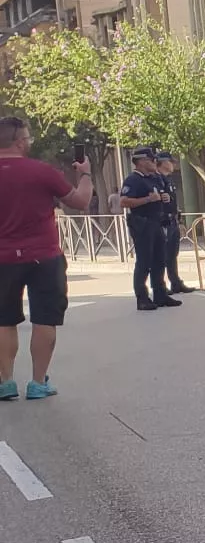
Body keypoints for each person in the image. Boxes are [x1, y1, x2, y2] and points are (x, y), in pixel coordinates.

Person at [0, 116, 93, 401]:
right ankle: (38, 382)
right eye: (27, 138)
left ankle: (6, 382)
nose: (29, 142)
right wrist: (85, 174)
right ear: (19, 141)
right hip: (44, 256)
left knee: (3, 320)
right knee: (44, 319)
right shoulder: (42, 171)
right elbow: (80, 202)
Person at [118, 148, 178, 311]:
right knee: (144, 261)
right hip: (142, 223)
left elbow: (159, 195)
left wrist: (163, 198)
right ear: (142, 161)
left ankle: (160, 294)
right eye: (152, 160)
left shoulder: (154, 178)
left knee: (160, 259)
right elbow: (124, 201)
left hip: (156, 222)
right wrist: (148, 199)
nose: (154, 163)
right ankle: (142, 298)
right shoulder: (133, 180)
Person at [153, 151, 191, 295]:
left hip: (172, 220)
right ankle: (161, 285)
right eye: (170, 161)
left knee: (172, 254)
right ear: (162, 163)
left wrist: (179, 220)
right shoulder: (157, 180)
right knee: (163, 255)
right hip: (163, 222)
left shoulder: (168, 180)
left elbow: (173, 203)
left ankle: (175, 282)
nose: (173, 164)